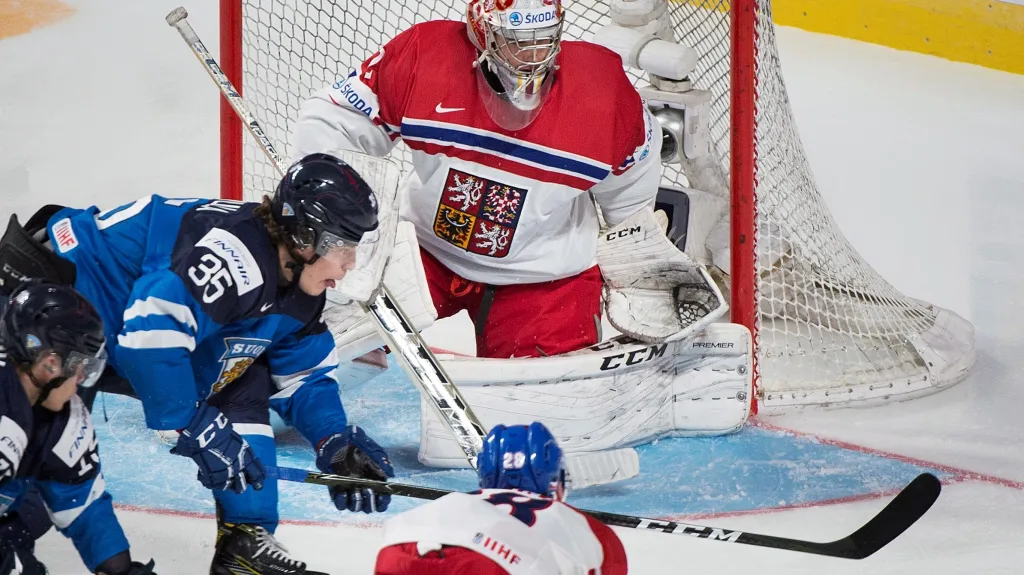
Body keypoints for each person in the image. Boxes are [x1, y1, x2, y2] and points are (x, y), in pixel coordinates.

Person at [0, 153, 396, 574]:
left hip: (114, 320)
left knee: (241, 370)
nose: (350, 263)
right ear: (305, 237)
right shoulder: (234, 256)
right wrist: (196, 425)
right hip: (53, 298)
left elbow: (301, 375)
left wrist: (334, 440)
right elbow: (149, 338)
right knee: (46, 462)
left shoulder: (296, 283)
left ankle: (245, 542)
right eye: (342, 245)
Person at [291, 0, 661, 360]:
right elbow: (332, 121)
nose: (533, 54)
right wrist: (340, 227)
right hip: (427, 252)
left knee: (544, 401)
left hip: (545, 275)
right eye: (517, 40)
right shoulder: (424, 55)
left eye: (545, 37)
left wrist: (642, 267)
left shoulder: (604, 92)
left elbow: (631, 190)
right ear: (482, 30)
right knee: (315, 345)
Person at [0, 282, 156, 574]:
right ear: (49, 364)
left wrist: (118, 570)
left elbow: (83, 506)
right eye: (81, 364)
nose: (84, 376)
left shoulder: (61, 417)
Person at [375, 421, 628, 574]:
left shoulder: (465, 501)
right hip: (493, 563)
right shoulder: (585, 528)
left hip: (402, 544)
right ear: (556, 481)